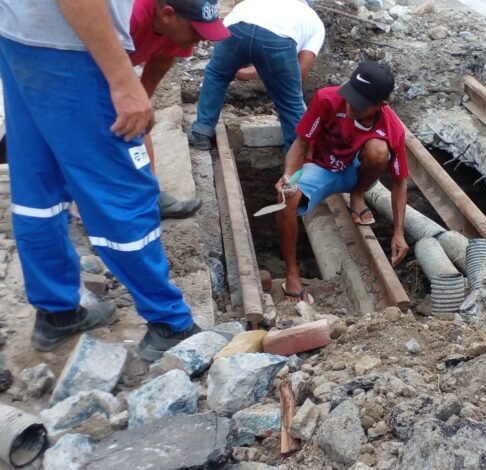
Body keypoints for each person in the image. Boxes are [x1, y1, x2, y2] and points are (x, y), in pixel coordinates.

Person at [0, 0, 201, 360]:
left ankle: (57, 312)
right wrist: (123, 79)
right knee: (123, 192)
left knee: (38, 189)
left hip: (19, 36)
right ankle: (171, 324)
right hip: (75, 49)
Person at [275, 62, 410, 302]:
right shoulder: (327, 99)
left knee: (379, 151)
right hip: (321, 169)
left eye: (359, 104)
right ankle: (292, 273)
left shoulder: (392, 129)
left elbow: (400, 182)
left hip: (356, 174)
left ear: (380, 105)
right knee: (287, 198)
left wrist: (398, 233)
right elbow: (301, 142)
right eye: (350, 97)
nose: (350, 105)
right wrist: (288, 176)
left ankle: (357, 196)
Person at [130, 0, 230, 218]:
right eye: (196, 30)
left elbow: (162, 61)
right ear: (168, 14)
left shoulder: (173, 28)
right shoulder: (132, 13)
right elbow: (92, 61)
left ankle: (150, 194)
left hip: (111, 65)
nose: (202, 38)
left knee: (139, 120)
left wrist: (142, 100)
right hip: (76, 65)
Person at [187, 0, 325, 153]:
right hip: (279, 41)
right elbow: (301, 69)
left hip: (236, 27)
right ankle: (296, 161)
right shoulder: (315, 23)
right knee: (291, 103)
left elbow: (254, 37)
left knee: (217, 75)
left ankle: (202, 131)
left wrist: (252, 70)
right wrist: (291, 94)